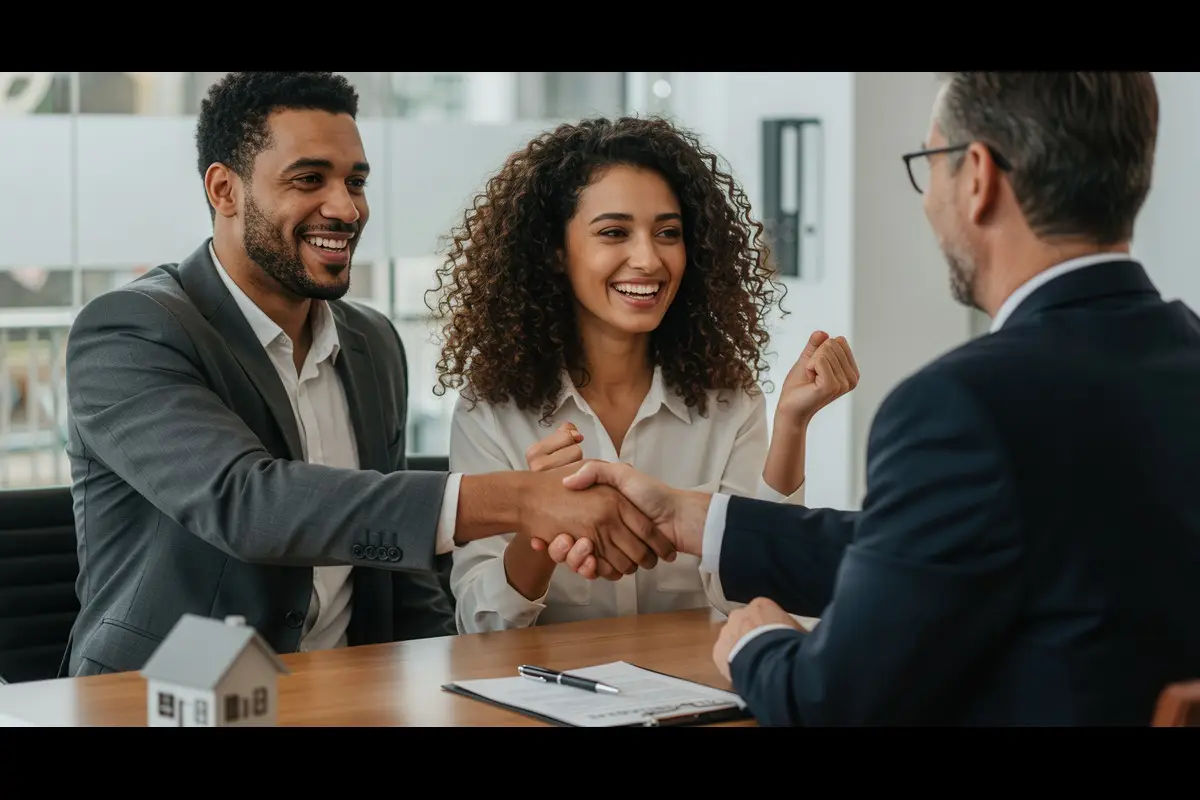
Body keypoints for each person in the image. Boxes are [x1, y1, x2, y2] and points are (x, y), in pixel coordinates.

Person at [551, 71, 1200, 726]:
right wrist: (698, 520)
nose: (927, 202)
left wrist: (757, 642)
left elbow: (831, 703)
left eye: (930, 163)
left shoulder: (964, 405)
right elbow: (929, 553)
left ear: (977, 176)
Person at [61, 72, 674, 677]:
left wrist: (460, 683)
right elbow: (246, 503)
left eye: (355, 181)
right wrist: (521, 499)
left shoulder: (372, 343)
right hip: (168, 698)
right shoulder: (130, 330)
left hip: (349, 692)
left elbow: (392, 571)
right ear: (225, 191)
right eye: (309, 179)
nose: (345, 208)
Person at [427, 116, 858, 633]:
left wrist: (792, 425)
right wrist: (537, 519)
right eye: (614, 232)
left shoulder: (729, 398)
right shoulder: (491, 409)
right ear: (555, 252)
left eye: (668, 233)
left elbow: (760, 602)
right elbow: (481, 628)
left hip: (693, 691)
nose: (648, 259)